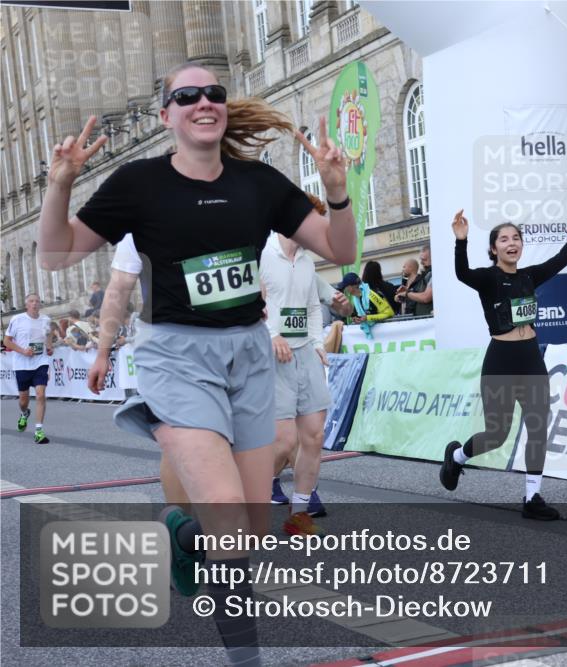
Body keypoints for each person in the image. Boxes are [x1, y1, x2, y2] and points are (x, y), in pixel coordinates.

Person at [39, 62, 356, 667]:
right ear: (167, 116)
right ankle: (246, 659)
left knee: (252, 529)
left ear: (224, 108)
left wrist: (337, 190)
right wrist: (60, 185)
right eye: (188, 95)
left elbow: (342, 249)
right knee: (232, 530)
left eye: (214, 93)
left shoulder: (259, 184)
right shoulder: (138, 185)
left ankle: (176, 529)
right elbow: (56, 258)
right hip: (176, 358)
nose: (204, 102)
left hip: (247, 354)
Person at [440, 197, 567, 521]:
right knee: (497, 433)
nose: (512, 243)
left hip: (531, 358)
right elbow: (461, 274)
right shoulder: (487, 278)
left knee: (538, 427)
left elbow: (563, 257)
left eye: (516, 238)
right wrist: (460, 240)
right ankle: (456, 457)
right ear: (494, 249)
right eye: (504, 239)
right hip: (501, 360)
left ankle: (532, 497)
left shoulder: (529, 276)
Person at [87, 233, 191, 510]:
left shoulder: (224, 207)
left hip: (226, 344)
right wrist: (102, 353)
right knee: (176, 438)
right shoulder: (139, 226)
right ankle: (181, 528)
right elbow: (119, 289)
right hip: (168, 346)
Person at [260, 214, 333, 535]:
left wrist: (318, 342)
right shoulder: (261, 254)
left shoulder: (306, 261)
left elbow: (313, 307)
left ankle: (299, 512)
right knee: (283, 440)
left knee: (314, 435)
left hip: (305, 351)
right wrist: (271, 333)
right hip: (271, 352)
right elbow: (250, 302)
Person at [4, 293, 54, 444]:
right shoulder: (17, 319)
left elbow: (49, 333)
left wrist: (49, 346)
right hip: (22, 364)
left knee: (40, 395)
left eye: (37, 301)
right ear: (26, 304)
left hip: (41, 361)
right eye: (31, 301)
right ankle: (24, 413)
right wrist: (23, 351)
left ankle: (39, 431)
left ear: (40, 304)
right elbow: (6, 341)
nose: (34, 304)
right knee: (23, 400)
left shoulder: (46, 320)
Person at [337, 272, 394, 337]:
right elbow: (362, 315)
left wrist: (367, 318)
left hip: (386, 332)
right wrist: (356, 318)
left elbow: (389, 313)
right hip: (373, 334)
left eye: (345, 287)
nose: (345, 290)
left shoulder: (371, 295)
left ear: (350, 287)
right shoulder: (355, 298)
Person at [400, 245, 433, 315]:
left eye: (424, 259)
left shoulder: (434, 275)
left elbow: (426, 297)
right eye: (421, 260)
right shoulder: (424, 276)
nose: (421, 262)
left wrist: (406, 294)